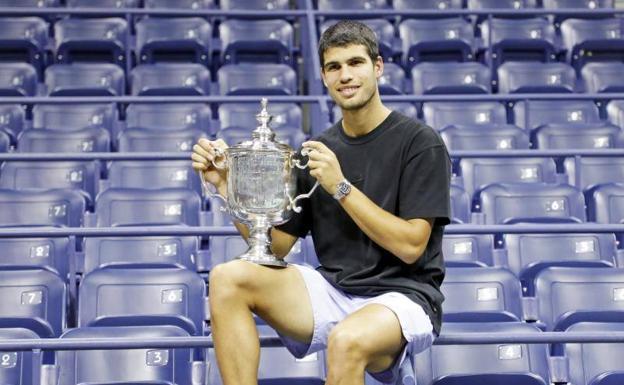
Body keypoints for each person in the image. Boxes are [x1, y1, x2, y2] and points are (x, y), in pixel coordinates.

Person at [191, 20, 451, 385]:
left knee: (346, 339)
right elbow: (276, 247)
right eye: (334, 67)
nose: (345, 75)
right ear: (325, 78)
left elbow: (411, 247)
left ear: (378, 67)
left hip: (403, 297)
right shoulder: (318, 151)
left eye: (355, 63)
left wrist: (340, 187)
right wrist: (224, 186)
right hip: (334, 290)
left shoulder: (420, 143)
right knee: (227, 277)